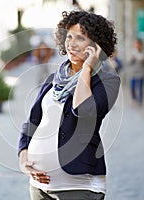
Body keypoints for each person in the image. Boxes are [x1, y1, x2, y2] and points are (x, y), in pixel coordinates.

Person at [18, 10, 120, 200]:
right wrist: (23, 158)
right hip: (38, 186)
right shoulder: (54, 79)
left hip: (79, 186)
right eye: (69, 36)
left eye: (80, 38)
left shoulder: (107, 81)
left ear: (95, 44)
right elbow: (32, 122)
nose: (72, 43)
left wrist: (87, 68)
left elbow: (84, 112)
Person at [128, 39, 144, 105]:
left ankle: (140, 101)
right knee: (132, 87)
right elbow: (129, 63)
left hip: (141, 73)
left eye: (138, 44)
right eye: (136, 44)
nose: (137, 45)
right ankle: (134, 98)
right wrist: (132, 58)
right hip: (133, 73)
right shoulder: (132, 52)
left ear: (140, 45)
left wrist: (143, 60)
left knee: (140, 88)